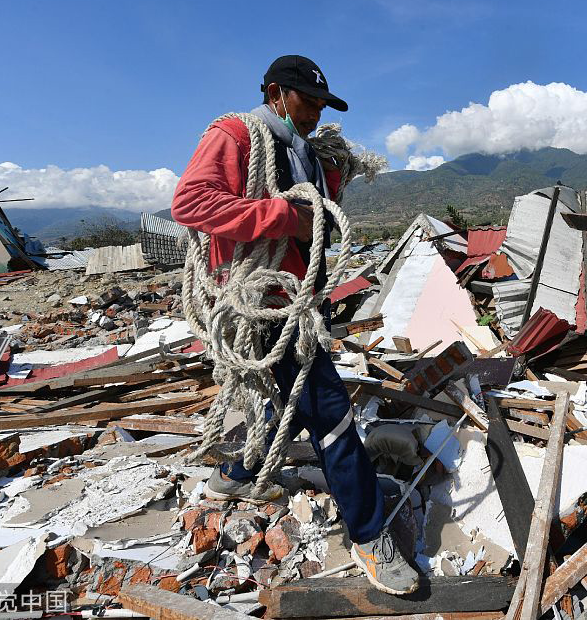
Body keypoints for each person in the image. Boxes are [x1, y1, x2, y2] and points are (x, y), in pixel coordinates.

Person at [170, 55, 420, 595]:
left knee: (284, 400)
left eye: (321, 106)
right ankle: (370, 533)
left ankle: (238, 474)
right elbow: (190, 201)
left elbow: (318, 211)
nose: (314, 115)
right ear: (276, 93)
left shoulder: (305, 151)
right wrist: (287, 216)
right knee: (328, 409)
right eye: (307, 103)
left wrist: (327, 188)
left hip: (302, 296)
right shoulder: (236, 134)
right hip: (263, 300)